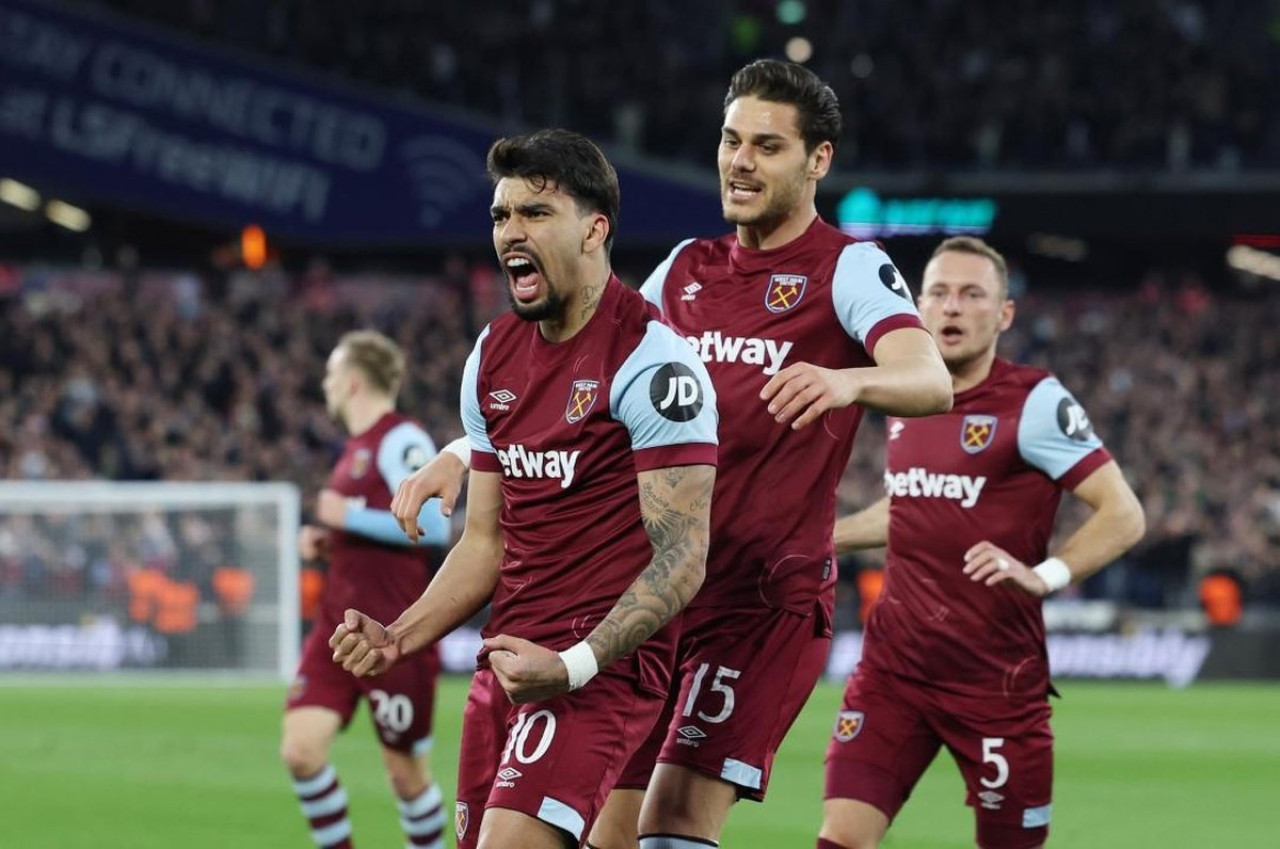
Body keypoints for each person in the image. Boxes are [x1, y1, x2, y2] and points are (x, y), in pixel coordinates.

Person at [392, 60, 953, 849]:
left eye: (767, 146)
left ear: (817, 161)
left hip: (758, 603)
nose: (740, 162)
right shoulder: (687, 267)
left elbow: (930, 379)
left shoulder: (847, 267)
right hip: (657, 594)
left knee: (673, 825)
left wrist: (844, 378)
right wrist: (462, 448)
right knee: (607, 834)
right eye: (730, 140)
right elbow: (596, 367)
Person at [330, 129, 720, 849]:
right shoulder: (492, 354)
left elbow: (683, 556)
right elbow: (486, 540)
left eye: (536, 213)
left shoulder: (653, 362)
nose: (511, 231)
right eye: (501, 215)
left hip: (600, 666)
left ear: (594, 228)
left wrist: (571, 666)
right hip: (508, 662)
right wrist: (398, 637)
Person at [819, 237, 1146, 849]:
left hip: (995, 682)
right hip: (893, 671)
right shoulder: (906, 397)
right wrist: (822, 536)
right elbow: (915, 505)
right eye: (939, 293)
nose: (952, 308)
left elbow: (1123, 513)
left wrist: (1045, 574)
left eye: (972, 295)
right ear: (917, 307)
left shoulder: (1035, 402)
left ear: (1004, 315)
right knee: (841, 837)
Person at [281, 330, 452, 849]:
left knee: (406, 777)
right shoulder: (354, 446)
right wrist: (329, 539)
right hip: (336, 629)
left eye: (331, 373)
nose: (325, 383)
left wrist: (347, 515)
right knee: (301, 752)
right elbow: (368, 535)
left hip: (393, 635)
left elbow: (438, 528)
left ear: (353, 381)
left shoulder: (403, 439)